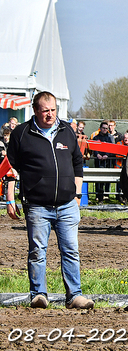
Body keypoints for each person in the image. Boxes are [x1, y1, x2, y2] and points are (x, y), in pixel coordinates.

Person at [5, 91, 94, 309]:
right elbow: (10, 168)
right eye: (45, 110)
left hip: (67, 205)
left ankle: (74, 296)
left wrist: (77, 196)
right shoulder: (21, 133)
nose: (50, 114)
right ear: (35, 110)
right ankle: (38, 294)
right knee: (37, 251)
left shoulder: (67, 131)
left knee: (71, 250)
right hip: (37, 206)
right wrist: (9, 199)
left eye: (53, 110)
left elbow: (77, 164)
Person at [92, 121, 115, 202]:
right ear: (100, 128)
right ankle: (98, 195)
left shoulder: (109, 138)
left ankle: (106, 195)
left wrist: (107, 155)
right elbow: (93, 148)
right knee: (98, 179)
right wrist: (97, 154)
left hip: (107, 161)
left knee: (107, 179)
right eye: (103, 128)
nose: (105, 130)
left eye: (106, 128)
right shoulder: (95, 138)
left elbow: (112, 148)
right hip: (98, 161)